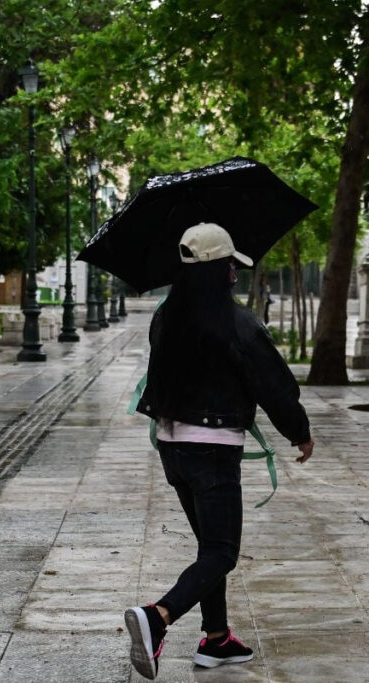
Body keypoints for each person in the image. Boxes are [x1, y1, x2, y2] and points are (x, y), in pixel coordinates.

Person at [124, 223, 314, 680]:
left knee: (210, 546)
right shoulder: (239, 323)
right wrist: (299, 432)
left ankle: (217, 639)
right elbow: (275, 386)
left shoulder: (165, 317)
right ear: (221, 272)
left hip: (173, 448)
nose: (235, 272)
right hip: (213, 451)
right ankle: (158, 616)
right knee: (222, 552)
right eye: (231, 264)